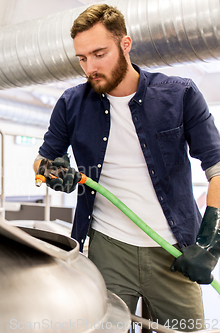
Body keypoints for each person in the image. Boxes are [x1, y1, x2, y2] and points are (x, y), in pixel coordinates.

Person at [33, 4, 220, 330]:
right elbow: (42, 160)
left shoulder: (180, 95)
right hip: (108, 248)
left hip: (174, 251)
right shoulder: (71, 103)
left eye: (99, 54)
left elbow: (217, 169)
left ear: (125, 45)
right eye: (82, 58)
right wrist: (51, 171)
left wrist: (210, 244)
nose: (89, 67)